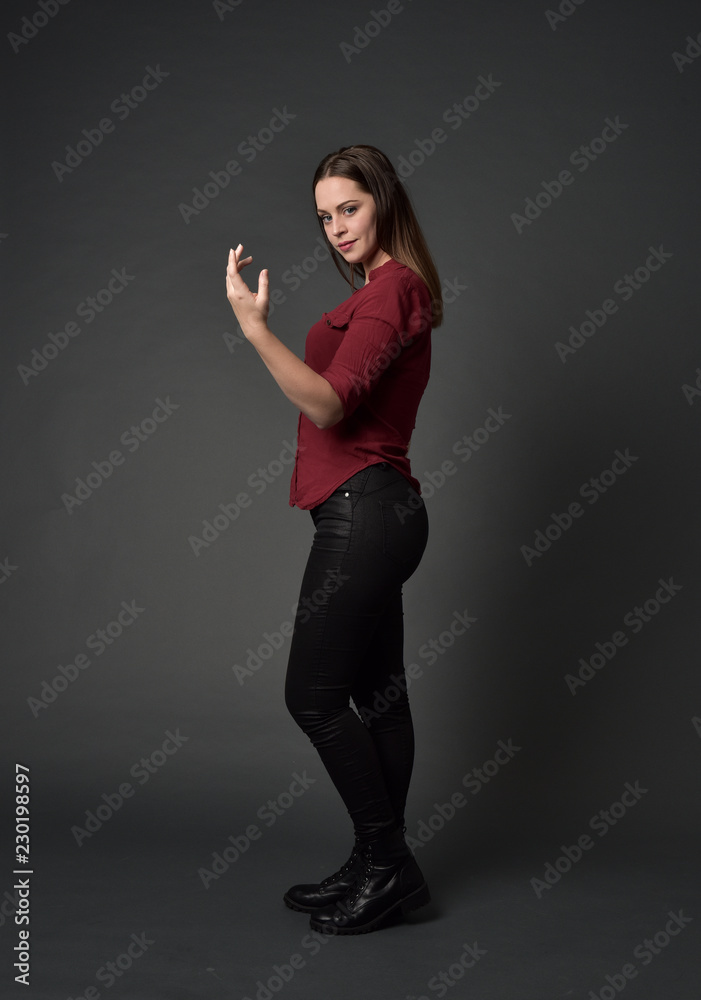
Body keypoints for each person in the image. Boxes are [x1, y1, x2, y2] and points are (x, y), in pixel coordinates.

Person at [225, 144, 443, 934]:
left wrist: (255, 330)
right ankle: (377, 862)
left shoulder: (391, 293)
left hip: (366, 512)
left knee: (312, 697)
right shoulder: (386, 291)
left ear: (381, 201)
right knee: (378, 697)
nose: (335, 227)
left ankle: (387, 863)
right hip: (372, 513)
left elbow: (327, 406)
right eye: (323, 216)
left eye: (348, 208)